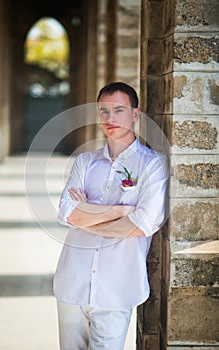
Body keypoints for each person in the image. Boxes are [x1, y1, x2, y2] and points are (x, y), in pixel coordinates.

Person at [54, 81, 168, 350]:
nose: (110, 118)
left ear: (135, 114)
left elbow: (142, 225)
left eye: (118, 110)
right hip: (72, 284)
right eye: (104, 111)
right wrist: (120, 211)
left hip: (116, 289)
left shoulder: (153, 165)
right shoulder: (85, 162)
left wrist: (87, 216)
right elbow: (66, 213)